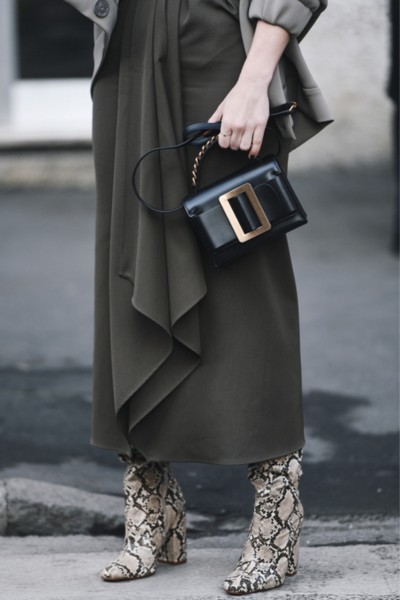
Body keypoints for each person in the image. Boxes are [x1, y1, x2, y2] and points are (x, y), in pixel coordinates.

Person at [64, 0, 332, 594]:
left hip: (222, 52)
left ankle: (277, 518)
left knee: (244, 268)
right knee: (130, 262)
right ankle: (151, 508)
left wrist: (256, 78)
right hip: (129, 53)